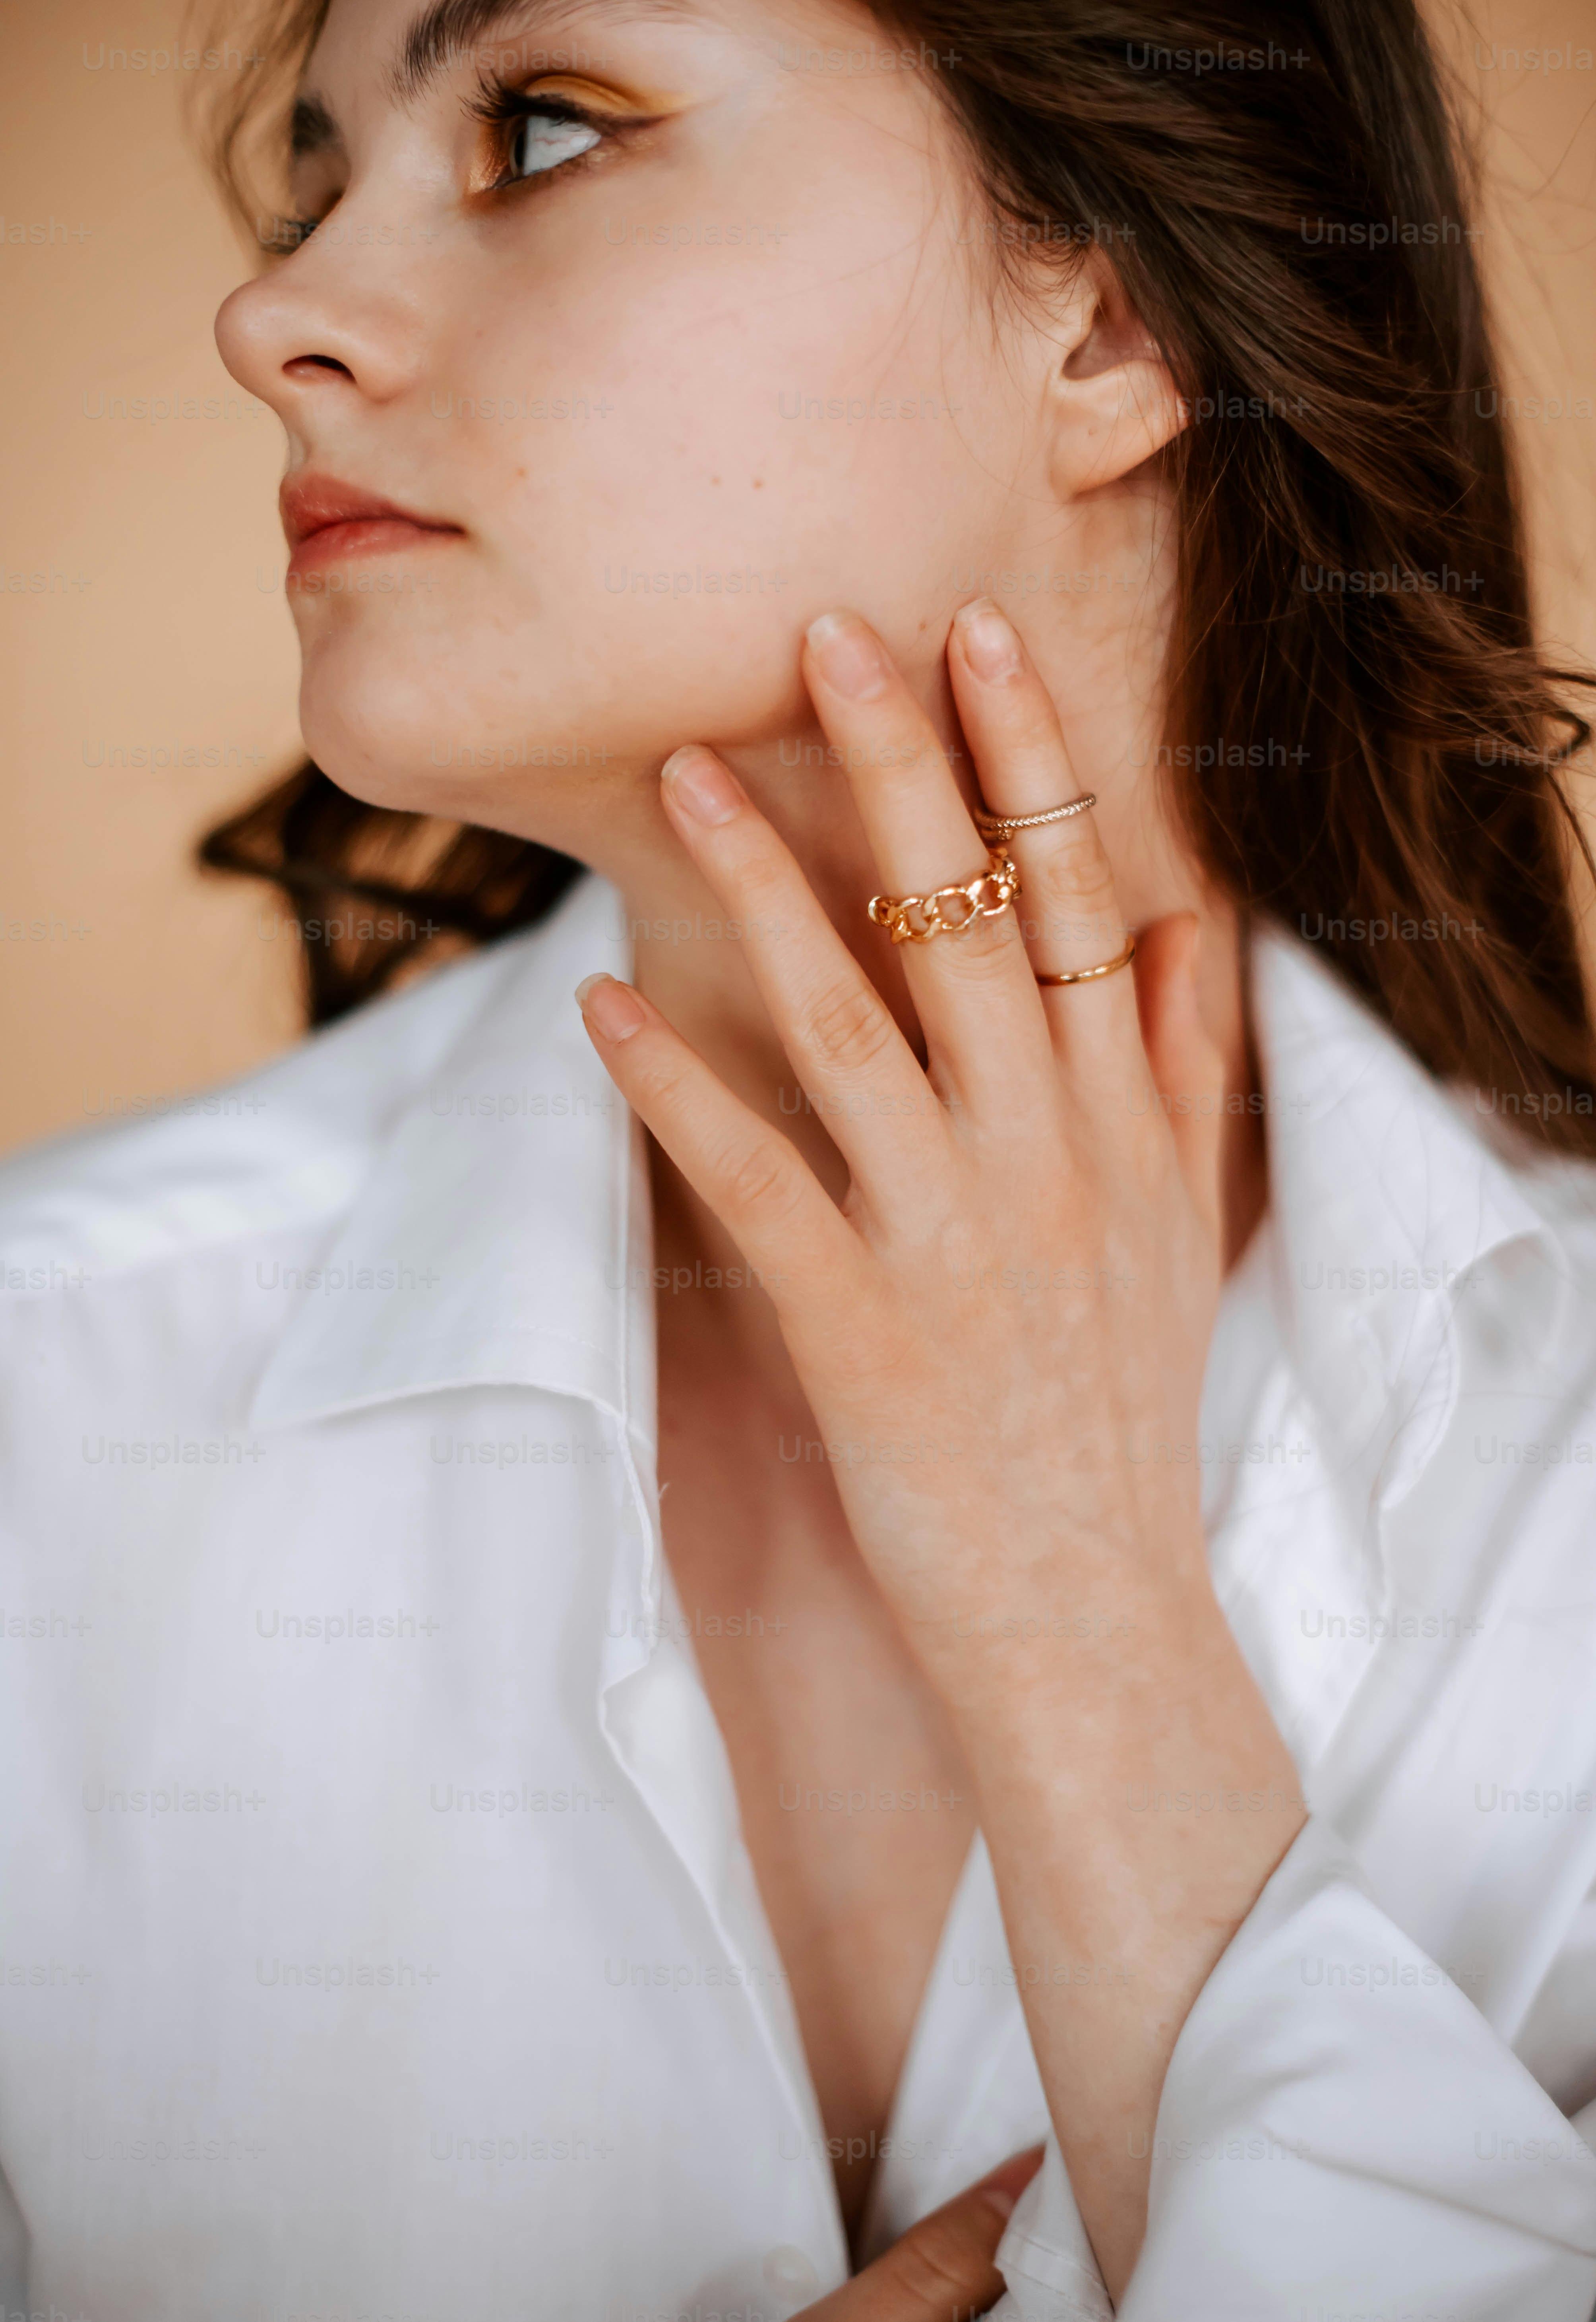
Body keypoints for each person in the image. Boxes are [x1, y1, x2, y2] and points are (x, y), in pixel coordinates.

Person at [2, 0, 1595, 2312]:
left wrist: (1079, 1613)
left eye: (545, 123)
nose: (272, 316)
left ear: (1117, 316)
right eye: (316, 176)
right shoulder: (42, 1415)